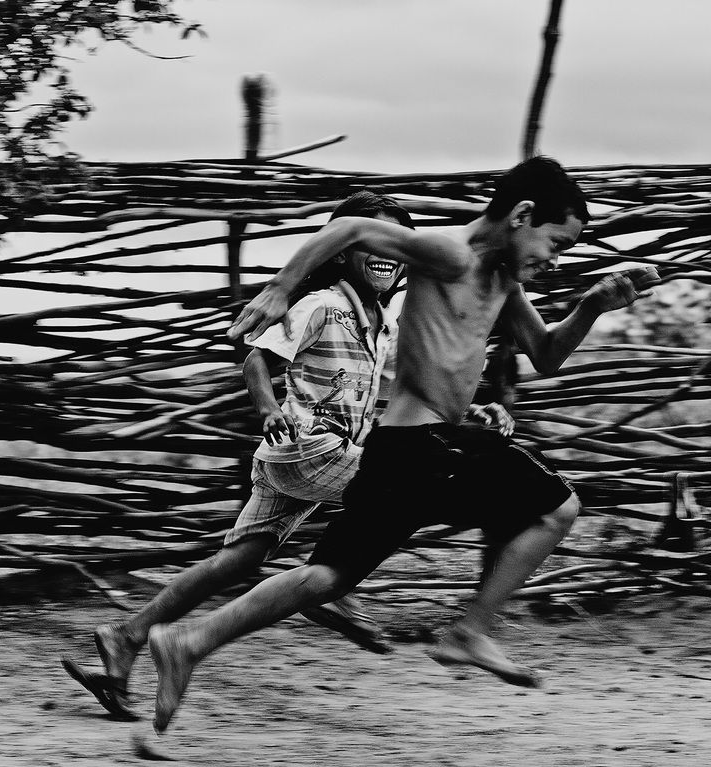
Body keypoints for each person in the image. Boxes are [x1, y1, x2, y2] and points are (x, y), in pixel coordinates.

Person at [145, 156, 661, 733]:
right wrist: (278, 290)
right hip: (427, 443)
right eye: (556, 243)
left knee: (329, 576)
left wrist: (591, 306)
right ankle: (470, 632)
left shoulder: (502, 280)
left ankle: (188, 642)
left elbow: (544, 354)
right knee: (557, 507)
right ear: (522, 215)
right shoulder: (451, 253)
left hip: (407, 451)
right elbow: (351, 227)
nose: (555, 259)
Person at [61, 192, 514, 720]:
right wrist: (268, 407)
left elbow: (406, 385)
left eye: (395, 243)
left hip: (310, 460)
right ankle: (331, 587)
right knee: (400, 485)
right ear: (341, 250)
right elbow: (257, 357)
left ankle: (125, 637)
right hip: (305, 447)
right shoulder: (321, 304)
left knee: (236, 560)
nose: (385, 253)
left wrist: (469, 406)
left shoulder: (385, 323)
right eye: (370, 240)